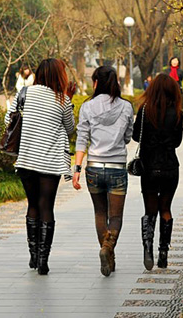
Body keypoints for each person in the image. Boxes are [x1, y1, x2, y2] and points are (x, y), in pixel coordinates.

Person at [5, 58, 76, 275]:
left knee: (32, 205)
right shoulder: (63, 99)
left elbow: (9, 119)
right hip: (50, 163)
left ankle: (33, 256)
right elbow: (70, 128)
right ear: (59, 76)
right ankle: (43, 261)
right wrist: (69, 101)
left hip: (26, 160)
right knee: (46, 206)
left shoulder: (25, 93)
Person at [73, 66, 134, 277]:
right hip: (117, 167)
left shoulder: (87, 107)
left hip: (94, 168)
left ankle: (106, 251)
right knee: (115, 216)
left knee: (100, 212)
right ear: (115, 83)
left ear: (96, 83)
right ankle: (108, 249)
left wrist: (77, 168)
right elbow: (128, 137)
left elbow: (82, 139)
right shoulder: (126, 107)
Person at [134, 73, 183, 270]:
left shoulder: (145, 110)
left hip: (149, 167)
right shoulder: (177, 112)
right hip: (170, 166)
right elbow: (177, 142)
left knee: (150, 210)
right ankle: (163, 252)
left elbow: (135, 136)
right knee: (166, 209)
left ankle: (148, 249)